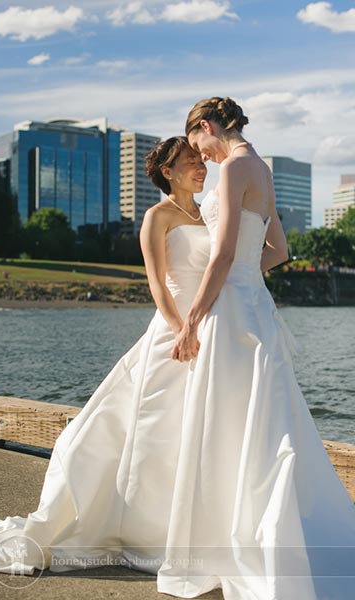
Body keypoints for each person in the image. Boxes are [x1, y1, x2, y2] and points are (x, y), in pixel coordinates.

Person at [0, 137, 211, 579]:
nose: (199, 164)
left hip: (210, 328)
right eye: (189, 159)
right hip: (174, 331)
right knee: (155, 426)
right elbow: (157, 285)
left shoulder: (209, 214)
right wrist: (180, 331)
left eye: (200, 157)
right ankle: (141, 528)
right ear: (167, 172)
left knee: (195, 427)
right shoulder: (157, 216)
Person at [155, 97, 355, 599]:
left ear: (204, 127)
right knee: (263, 423)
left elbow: (221, 255)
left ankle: (226, 545)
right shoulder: (260, 169)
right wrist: (244, 274)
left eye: (196, 143)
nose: (198, 156)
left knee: (222, 424)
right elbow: (280, 252)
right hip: (256, 308)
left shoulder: (230, 170)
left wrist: (191, 319)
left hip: (229, 313)